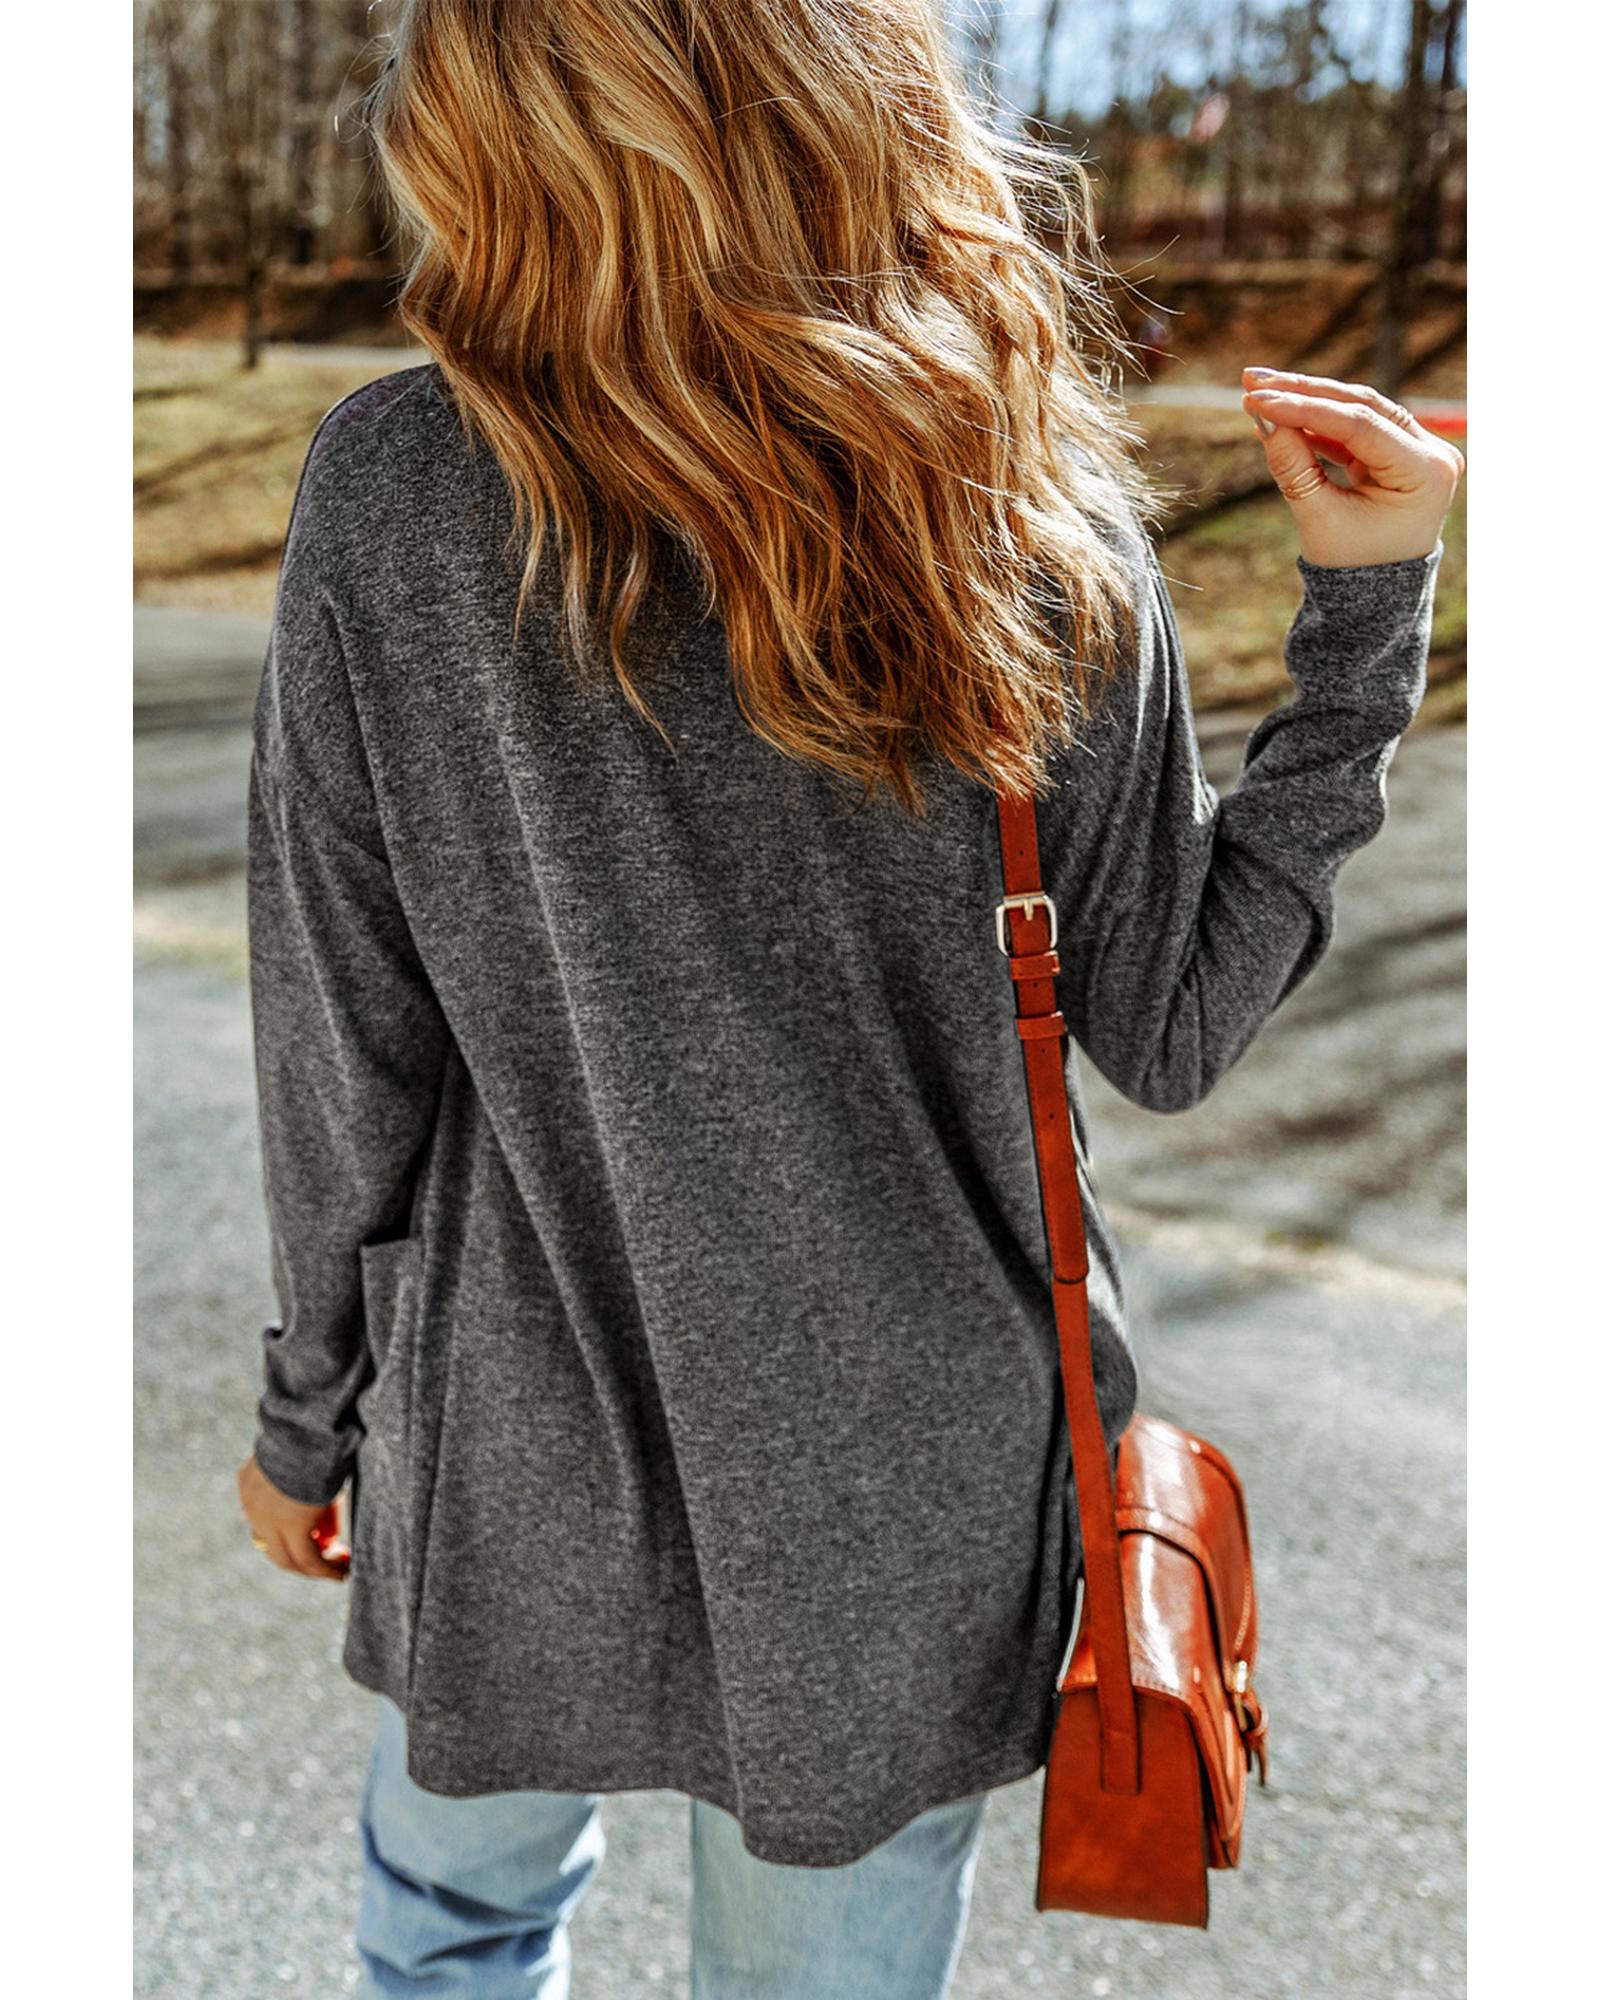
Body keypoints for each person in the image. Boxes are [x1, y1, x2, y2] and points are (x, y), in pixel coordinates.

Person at [233, 3, 1463, 1994]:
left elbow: (340, 1053)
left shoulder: (391, 496)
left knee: (452, 1939)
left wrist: (309, 1425)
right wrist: (1365, 616)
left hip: (517, 1464)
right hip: (901, 1519)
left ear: (495, 132)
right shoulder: (1023, 505)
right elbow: (1169, 1023)